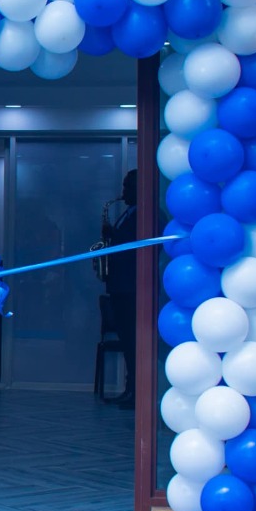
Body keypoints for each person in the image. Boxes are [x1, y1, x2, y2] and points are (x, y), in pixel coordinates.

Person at [102, 171, 139, 407]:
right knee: (127, 341)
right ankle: (129, 388)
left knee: (133, 341)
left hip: (131, 288)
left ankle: (136, 390)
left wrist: (113, 236)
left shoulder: (144, 215)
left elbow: (133, 248)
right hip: (120, 286)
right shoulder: (129, 213)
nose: (123, 192)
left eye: (127, 187)